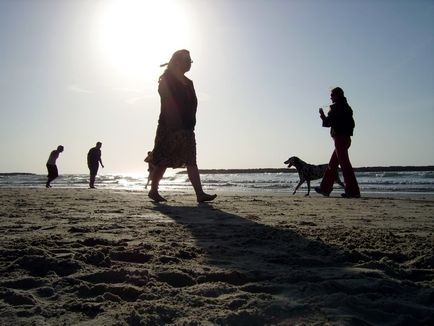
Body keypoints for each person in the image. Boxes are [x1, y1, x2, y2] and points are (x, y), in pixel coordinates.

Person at [146, 49, 217, 203]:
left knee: (191, 160)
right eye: (187, 60)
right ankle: (153, 190)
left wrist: (190, 123)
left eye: (190, 61)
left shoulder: (189, 83)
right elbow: (167, 101)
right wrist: (174, 123)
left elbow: (193, 104)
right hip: (169, 127)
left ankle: (199, 194)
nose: (189, 63)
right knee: (163, 160)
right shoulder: (167, 79)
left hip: (187, 127)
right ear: (177, 61)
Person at [315, 87, 360, 198]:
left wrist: (322, 114)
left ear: (336, 96)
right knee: (333, 164)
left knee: (345, 165)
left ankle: (353, 191)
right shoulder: (347, 107)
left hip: (340, 139)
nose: (330, 97)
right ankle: (324, 188)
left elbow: (327, 122)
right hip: (346, 139)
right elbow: (352, 124)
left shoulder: (336, 107)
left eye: (332, 95)